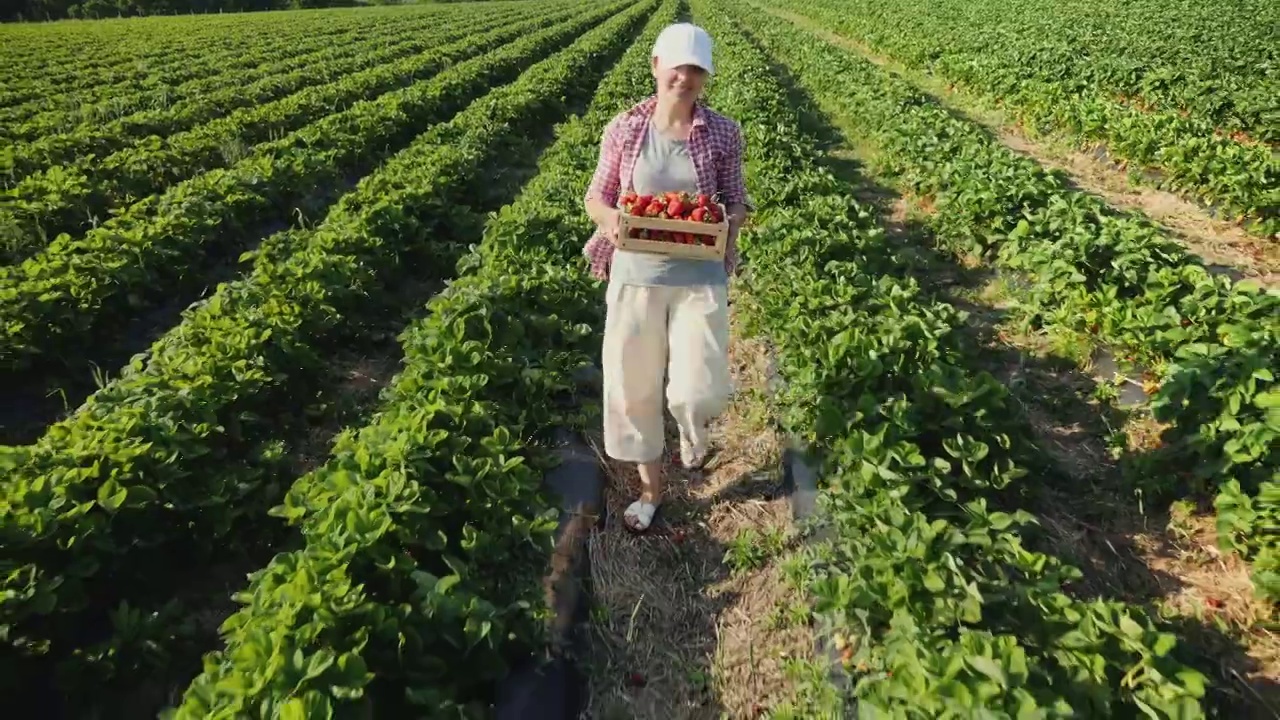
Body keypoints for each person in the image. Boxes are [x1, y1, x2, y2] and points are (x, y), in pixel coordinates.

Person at [582, 22, 751, 533]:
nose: (685, 76)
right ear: (656, 66)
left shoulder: (724, 131)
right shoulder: (625, 128)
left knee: (697, 387)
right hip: (636, 274)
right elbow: (597, 196)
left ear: (706, 76)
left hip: (699, 275)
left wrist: (727, 220)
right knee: (632, 386)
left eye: (696, 68)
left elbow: (736, 201)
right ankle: (652, 491)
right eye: (676, 65)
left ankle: (691, 425)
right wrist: (613, 220)